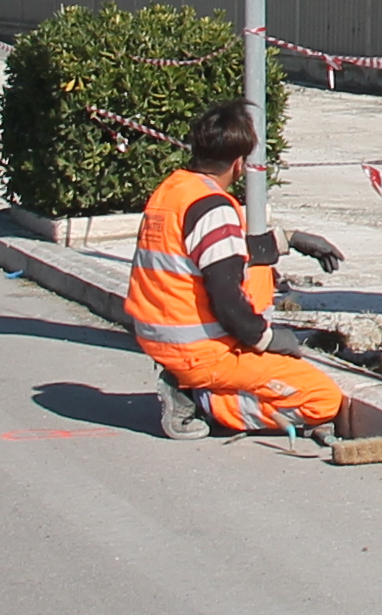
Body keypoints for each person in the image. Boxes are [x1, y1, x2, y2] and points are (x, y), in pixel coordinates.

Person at [127, 102, 350, 443]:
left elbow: (229, 251)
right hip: (199, 350)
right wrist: (269, 339)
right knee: (321, 399)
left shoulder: (174, 191)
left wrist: (290, 240)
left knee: (257, 269)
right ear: (238, 163)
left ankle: (198, 381)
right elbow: (227, 297)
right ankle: (201, 398)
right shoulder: (213, 207)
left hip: (161, 334)